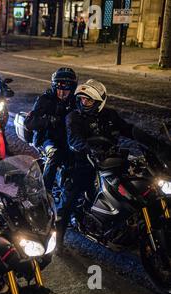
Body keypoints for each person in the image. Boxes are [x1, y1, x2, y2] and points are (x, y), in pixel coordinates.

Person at [57, 79, 168, 251]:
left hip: (111, 161)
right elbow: (74, 139)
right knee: (69, 199)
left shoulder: (110, 115)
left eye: (89, 100)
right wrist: (90, 150)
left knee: (139, 187)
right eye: (81, 99)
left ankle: (126, 224)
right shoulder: (74, 117)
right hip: (81, 163)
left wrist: (155, 144)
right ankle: (58, 241)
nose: (83, 102)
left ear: (100, 102)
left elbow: (129, 129)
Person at [24, 67, 77, 192]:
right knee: (55, 155)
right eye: (59, 89)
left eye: (66, 90)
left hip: (68, 139)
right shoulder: (45, 99)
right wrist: (49, 120)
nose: (62, 93)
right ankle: (45, 193)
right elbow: (29, 122)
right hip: (47, 139)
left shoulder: (76, 101)